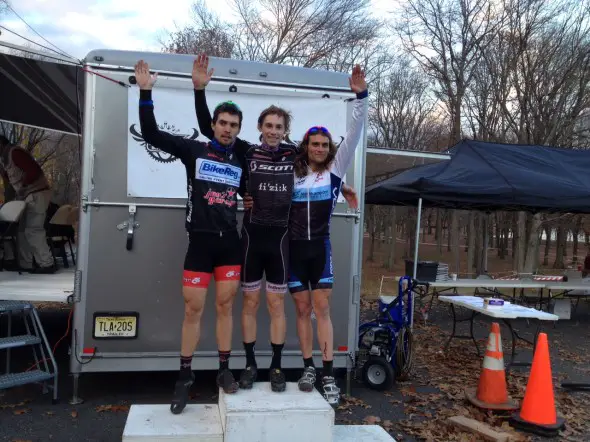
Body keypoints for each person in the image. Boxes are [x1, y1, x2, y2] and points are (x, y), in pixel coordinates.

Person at [191, 54, 359, 393]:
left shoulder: (294, 158)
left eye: (279, 127)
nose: (272, 131)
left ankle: (278, 367)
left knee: (276, 305)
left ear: (286, 132)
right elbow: (213, 136)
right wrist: (199, 91)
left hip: (282, 242)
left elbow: (324, 164)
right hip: (251, 239)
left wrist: (342, 185)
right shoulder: (246, 151)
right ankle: (250, 365)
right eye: (268, 126)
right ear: (259, 128)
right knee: (250, 304)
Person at [134, 60, 244, 415]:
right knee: (192, 309)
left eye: (233, 126)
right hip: (200, 243)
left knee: (225, 307)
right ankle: (184, 377)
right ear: (213, 125)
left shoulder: (242, 155)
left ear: (238, 130)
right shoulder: (194, 150)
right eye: (222, 123)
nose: (227, 129)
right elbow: (151, 135)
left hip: (230, 244)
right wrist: (146, 92)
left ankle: (224, 370)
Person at [287, 65, 368, 406]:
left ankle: (328, 375)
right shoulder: (292, 174)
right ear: (305, 146)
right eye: (313, 143)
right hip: (292, 250)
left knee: (323, 310)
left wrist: (360, 97)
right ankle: (307, 368)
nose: (319, 148)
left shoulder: (336, 170)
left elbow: (354, 133)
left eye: (323, 144)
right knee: (302, 311)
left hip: (320, 248)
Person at [0, 135, 56, 274]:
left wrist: (24, 185)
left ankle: (46, 263)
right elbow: (10, 179)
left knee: (33, 229)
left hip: (36, 193)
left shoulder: (15, 153)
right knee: (21, 231)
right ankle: (26, 265)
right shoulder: (5, 159)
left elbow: (33, 171)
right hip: (26, 196)